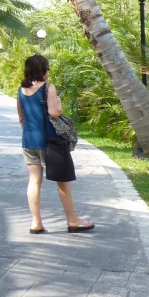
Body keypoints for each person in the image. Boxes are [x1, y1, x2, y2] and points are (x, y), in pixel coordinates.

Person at [17, 54, 95, 234]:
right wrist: (58, 102)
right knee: (63, 181)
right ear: (43, 70)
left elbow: (21, 118)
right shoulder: (48, 88)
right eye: (47, 69)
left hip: (29, 141)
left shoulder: (21, 90)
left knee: (34, 181)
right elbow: (54, 112)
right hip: (50, 142)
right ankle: (73, 220)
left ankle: (36, 223)